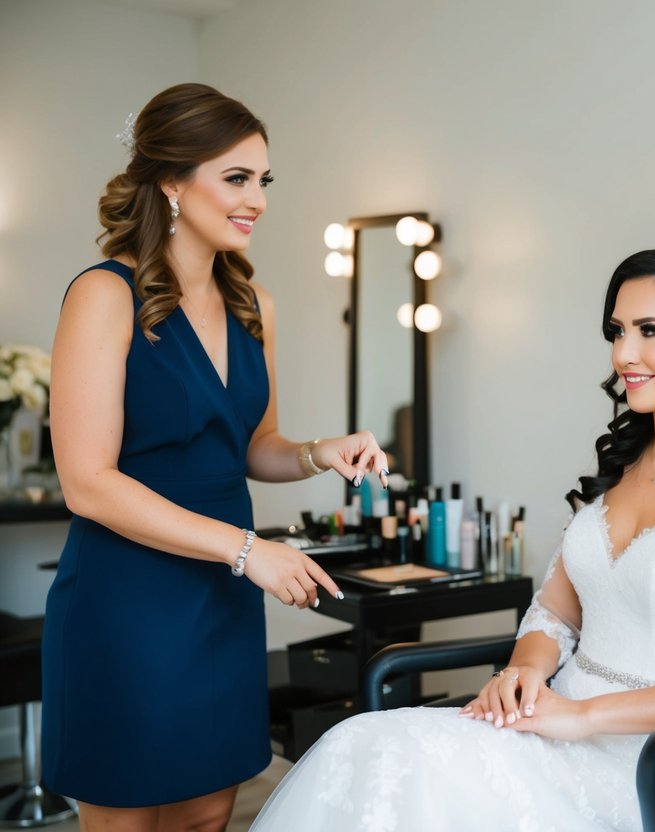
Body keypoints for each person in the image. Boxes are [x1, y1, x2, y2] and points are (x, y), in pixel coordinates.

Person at [250, 236, 655, 831]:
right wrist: (523, 672)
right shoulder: (621, 468)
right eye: (617, 331)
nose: (624, 353)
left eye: (650, 330)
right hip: (550, 725)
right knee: (362, 742)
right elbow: (554, 615)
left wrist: (584, 716)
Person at [43, 83, 390, 831]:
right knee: (126, 817)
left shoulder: (253, 306)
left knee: (207, 814)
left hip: (222, 600)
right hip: (127, 598)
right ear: (172, 181)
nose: (257, 200)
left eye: (263, 180)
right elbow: (87, 483)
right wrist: (247, 551)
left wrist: (318, 452)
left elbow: (254, 446)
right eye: (236, 178)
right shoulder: (104, 295)